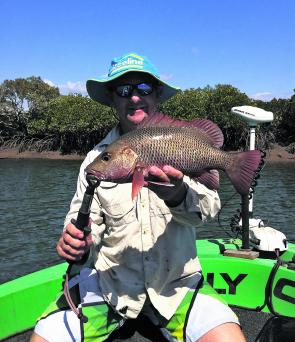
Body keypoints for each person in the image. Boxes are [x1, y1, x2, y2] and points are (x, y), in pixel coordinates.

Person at [31, 52, 246, 342]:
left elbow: (209, 210)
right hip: (112, 288)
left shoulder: (181, 140)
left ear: (157, 94)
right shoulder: (95, 160)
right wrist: (76, 243)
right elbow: (82, 224)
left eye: (143, 89)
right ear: (112, 99)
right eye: (123, 90)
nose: (134, 97)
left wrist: (178, 193)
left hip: (176, 286)